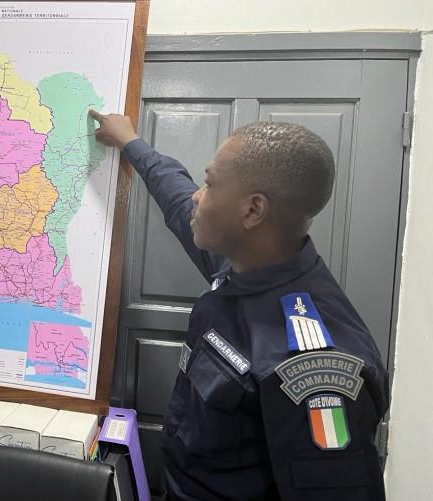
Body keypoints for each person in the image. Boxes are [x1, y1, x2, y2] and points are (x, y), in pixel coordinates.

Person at [90, 110, 388, 500]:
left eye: (210, 184)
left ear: (252, 210)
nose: (197, 195)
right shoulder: (244, 262)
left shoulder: (314, 370)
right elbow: (176, 195)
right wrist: (131, 142)